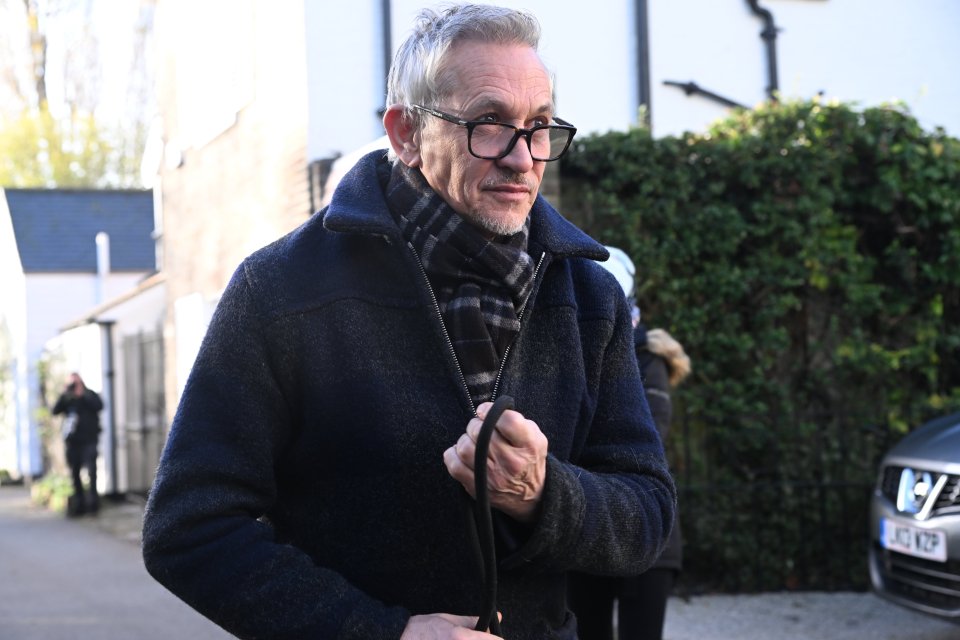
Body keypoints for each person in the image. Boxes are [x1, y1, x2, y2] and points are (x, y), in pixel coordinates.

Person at [141, 5, 676, 639]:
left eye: (538, 126)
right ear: (406, 134)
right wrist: (382, 633)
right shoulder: (281, 290)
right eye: (489, 123)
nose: (522, 157)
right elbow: (190, 526)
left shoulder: (589, 296)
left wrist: (544, 495)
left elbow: (647, 515)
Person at [569, 247, 691, 640]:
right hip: (587, 531)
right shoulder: (571, 355)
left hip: (647, 537)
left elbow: (645, 440)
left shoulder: (648, 360)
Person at [51, 372, 103, 516]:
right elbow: (55, 410)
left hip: (90, 440)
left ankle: (93, 504)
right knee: (75, 473)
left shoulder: (90, 394)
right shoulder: (67, 397)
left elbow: (99, 406)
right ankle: (79, 505)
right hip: (73, 442)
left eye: (76, 382)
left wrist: (83, 395)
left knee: (92, 471)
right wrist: (65, 393)